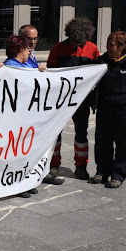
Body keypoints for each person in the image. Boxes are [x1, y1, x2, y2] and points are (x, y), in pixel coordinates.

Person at [90, 31, 126, 188]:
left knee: (124, 144)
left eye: (112, 44)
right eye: (108, 43)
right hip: (105, 109)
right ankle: (102, 171)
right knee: (102, 142)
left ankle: (118, 175)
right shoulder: (101, 61)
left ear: (122, 46)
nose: (108, 47)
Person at [46, 17, 100, 182]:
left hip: (82, 101)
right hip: (60, 101)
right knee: (56, 134)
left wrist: (93, 101)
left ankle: (81, 167)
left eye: (81, 41)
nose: (78, 44)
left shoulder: (92, 49)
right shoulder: (57, 49)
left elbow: (97, 76)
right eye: (75, 41)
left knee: (81, 135)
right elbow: (50, 75)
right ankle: (53, 165)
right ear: (69, 35)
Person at [3, 34, 47, 198]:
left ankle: (23, 181)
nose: (29, 52)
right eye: (27, 49)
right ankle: (17, 184)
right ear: (20, 49)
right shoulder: (13, 67)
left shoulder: (23, 65)